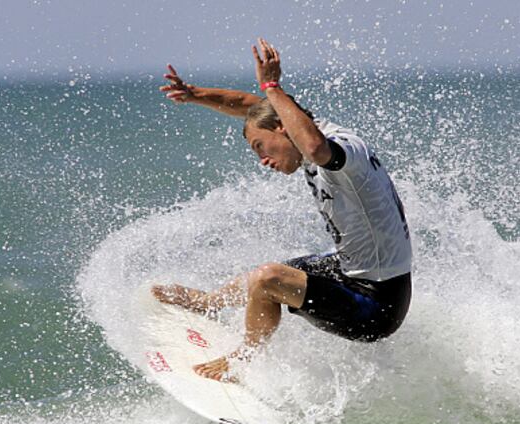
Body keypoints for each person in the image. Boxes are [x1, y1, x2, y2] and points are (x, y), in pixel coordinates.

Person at [152, 39, 412, 382]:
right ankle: (208, 303)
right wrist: (196, 95)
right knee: (275, 272)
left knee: (269, 279)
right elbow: (255, 108)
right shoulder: (301, 127)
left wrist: (272, 86)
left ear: (282, 129)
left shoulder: (340, 148)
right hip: (355, 270)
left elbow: (315, 147)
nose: (263, 160)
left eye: (261, 147)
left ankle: (241, 362)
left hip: (376, 307)